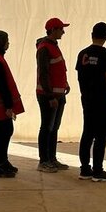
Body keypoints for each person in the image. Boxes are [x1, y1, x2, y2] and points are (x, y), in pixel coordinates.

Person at [75, 22, 106, 182]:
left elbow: (79, 77)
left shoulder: (82, 54)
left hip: (87, 98)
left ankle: (85, 169)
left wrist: (85, 94)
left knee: (87, 132)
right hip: (102, 99)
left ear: (92, 35)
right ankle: (98, 170)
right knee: (101, 135)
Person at [0, 30, 25, 178]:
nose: (9, 43)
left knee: (5, 131)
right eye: (7, 40)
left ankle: (3, 161)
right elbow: (2, 86)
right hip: (0, 104)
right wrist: (8, 106)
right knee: (3, 133)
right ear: (1, 42)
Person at [36, 17, 71, 173]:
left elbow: (58, 69)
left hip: (58, 94)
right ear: (54, 30)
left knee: (54, 128)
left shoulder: (53, 46)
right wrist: (50, 97)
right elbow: (44, 74)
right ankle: (44, 161)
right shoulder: (44, 48)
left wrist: (65, 84)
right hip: (48, 96)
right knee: (46, 127)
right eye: (61, 29)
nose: (63, 32)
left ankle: (52, 158)